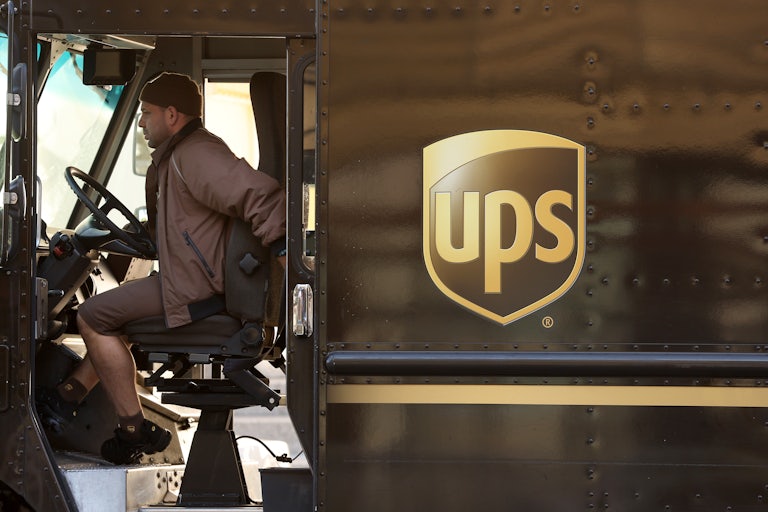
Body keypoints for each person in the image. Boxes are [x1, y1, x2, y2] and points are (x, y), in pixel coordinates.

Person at [36, 72, 287, 465]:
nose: (140, 123)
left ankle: (132, 430)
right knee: (119, 316)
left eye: (146, 113)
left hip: (197, 292)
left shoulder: (195, 155)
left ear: (172, 115)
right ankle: (68, 395)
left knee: (92, 317)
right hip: (197, 283)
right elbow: (180, 231)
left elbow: (261, 197)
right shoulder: (178, 157)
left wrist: (289, 258)